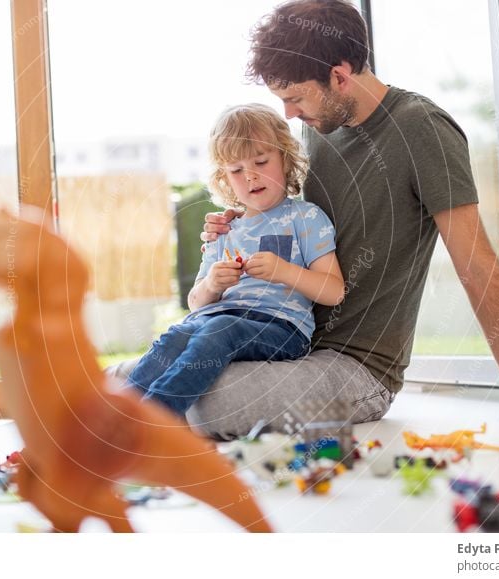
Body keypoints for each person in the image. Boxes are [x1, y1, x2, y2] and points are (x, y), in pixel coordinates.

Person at [113, 0, 499, 438]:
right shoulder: (318, 128)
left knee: (205, 403)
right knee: (125, 378)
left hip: (356, 367)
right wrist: (233, 224)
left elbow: (477, 266)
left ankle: (129, 425)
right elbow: (289, 219)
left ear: (339, 75)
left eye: (294, 98)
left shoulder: (421, 129)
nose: (289, 114)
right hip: (276, 340)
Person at [126, 103, 344, 417]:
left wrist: (283, 271)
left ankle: (154, 421)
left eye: (261, 161)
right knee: (175, 337)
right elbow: (196, 304)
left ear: (285, 158)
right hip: (212, 319)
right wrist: (212, 283)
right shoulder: (224, 229)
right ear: (224, 178)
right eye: (236, 170)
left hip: (281, 329)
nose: (250, 176)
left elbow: (334, 291)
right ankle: (113, 420)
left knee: (219, 329)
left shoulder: (305, 217)